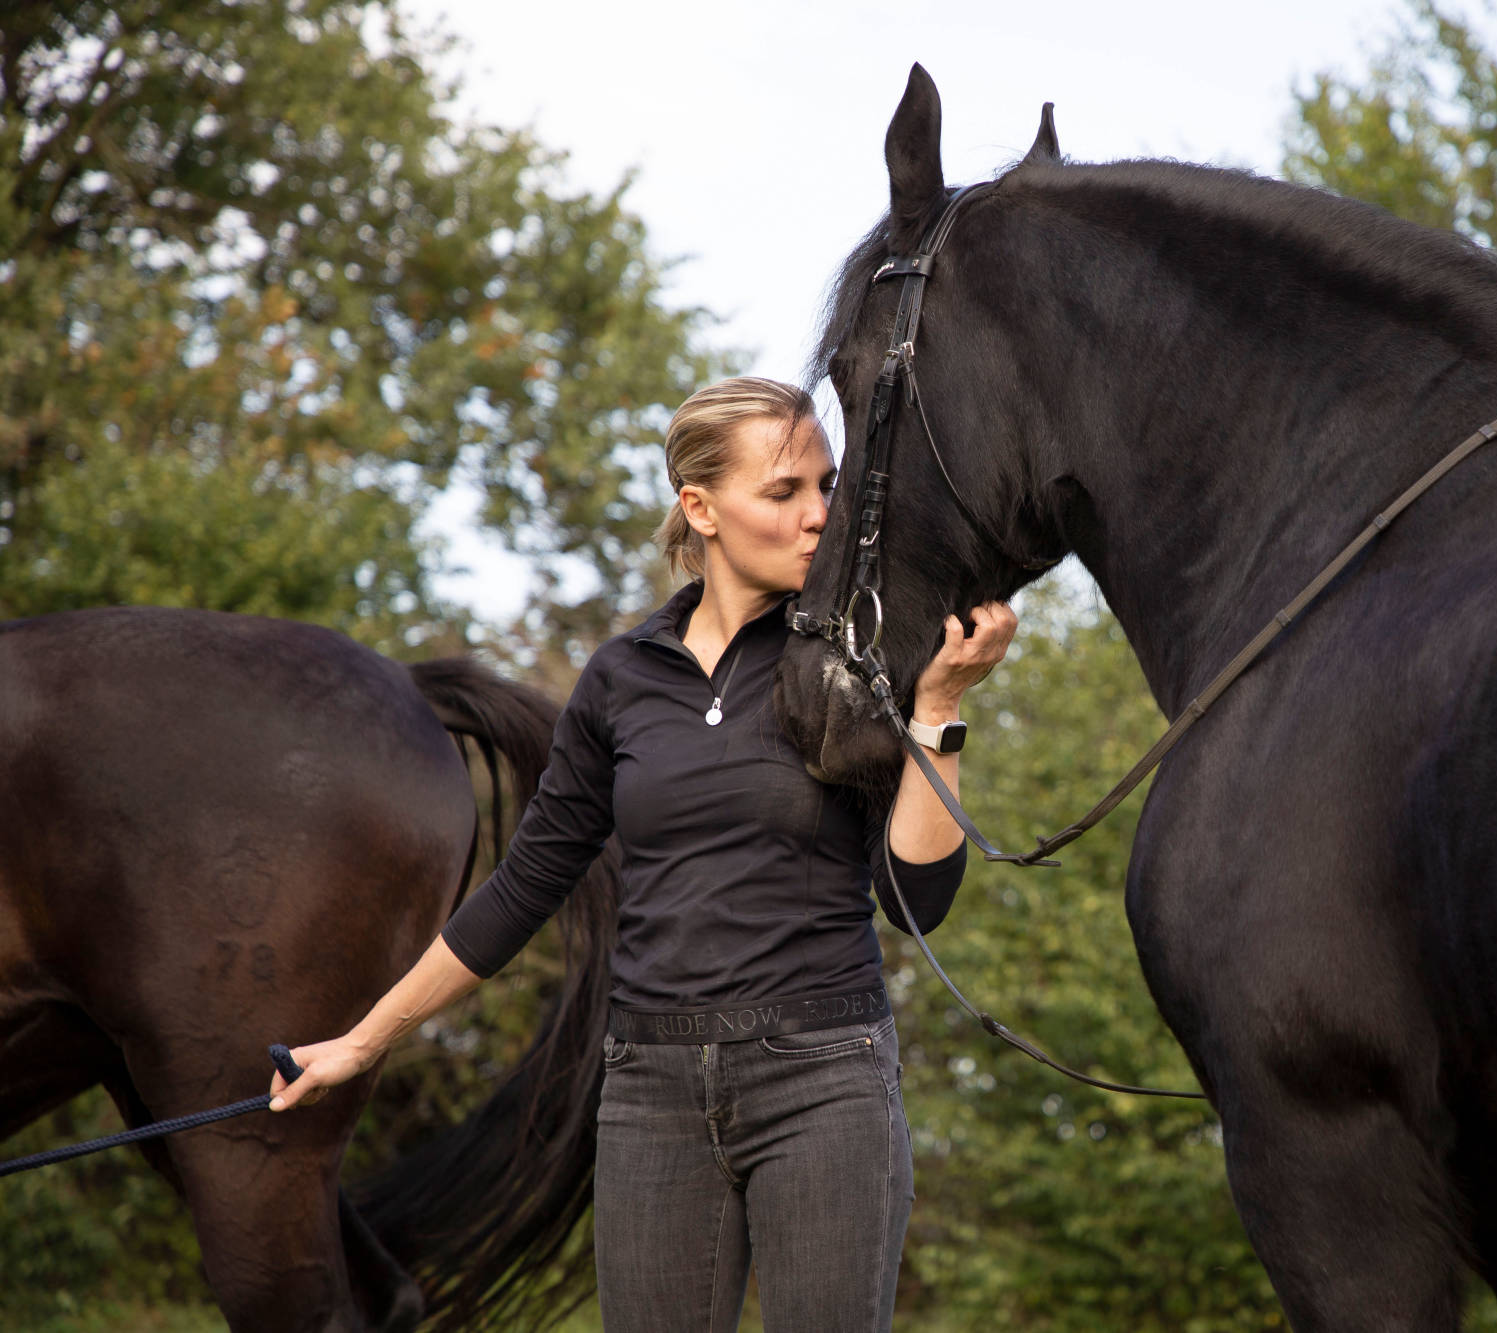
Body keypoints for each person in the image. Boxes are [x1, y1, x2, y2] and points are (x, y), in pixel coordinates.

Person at [270, 376, 1017, 1332]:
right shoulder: (621, 678)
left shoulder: (854, 659)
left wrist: (940, 711)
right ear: (699, 507)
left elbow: (917, 898)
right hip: (649, 1093)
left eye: (826, 488)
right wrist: (361, 1040)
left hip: (823, 1077)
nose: (818, 516)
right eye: (784, 491)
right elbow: (524, 885)